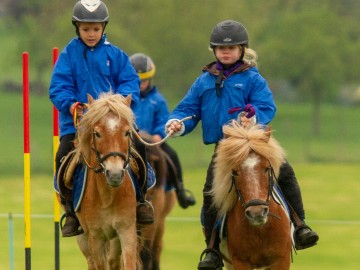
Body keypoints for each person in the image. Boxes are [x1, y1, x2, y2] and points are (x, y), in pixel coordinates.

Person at [166, 20, 319, 270]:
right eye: (221, 48)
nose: (226, 52)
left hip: (255, 141)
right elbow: (188, 109)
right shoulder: (203, 81)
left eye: (233, 48)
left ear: (242, 50)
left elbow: (266, 106)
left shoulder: (252, 79)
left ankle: (301, 227)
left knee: (287, 175)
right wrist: (176, 123)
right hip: (224, 149)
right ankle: (213, 250)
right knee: (210, 195)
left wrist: (253, 114)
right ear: (214, 50)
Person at [49, 0, 153, 237]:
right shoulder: (68, 55)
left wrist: (119, 104)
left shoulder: (116, 55)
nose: (91, 34)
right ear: (77, 28)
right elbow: (58, 87)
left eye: (96, 29)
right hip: (76, 124)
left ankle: (141, 200)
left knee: (139, 148)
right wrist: (71, 105)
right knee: (62, 156)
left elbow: (130, 83)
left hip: (114, 123)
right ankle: (72, 213)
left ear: (104, 28)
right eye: (86, 29)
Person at [130, 53, 196, 209]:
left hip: (153, 141)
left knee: (172, 156)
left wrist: (159, 134)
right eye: (137, 80)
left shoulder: (158, 100)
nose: (141, 84)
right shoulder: (125, 98)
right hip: (130, 140)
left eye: (144, 80)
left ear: (150, 79)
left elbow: (163, 120)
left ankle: (180, 191)